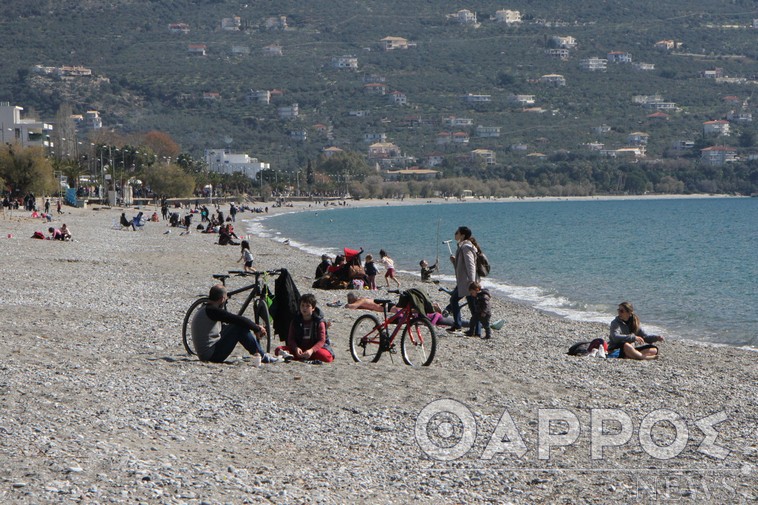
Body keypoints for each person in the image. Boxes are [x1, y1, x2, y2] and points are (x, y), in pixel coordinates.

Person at [190, 284, 280, 364]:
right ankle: (262, 355)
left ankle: (259, 352)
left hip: (206, 353)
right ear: (222, 299)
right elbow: (237, 319)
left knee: (236, 326)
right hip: (211, 355)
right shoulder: (213, 311)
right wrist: (256, 328)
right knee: (238, 327)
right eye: (225, 299)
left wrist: (255, 327)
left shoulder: (206, 308)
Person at [276, 293, 334, 363]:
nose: (304, 308)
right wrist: (296, 348)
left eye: (307, 306)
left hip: (315, 349)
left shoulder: (319, 322)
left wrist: (311, 350)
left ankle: (303, 356)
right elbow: (291, 339)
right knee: (278, 349)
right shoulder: (295, 321)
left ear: (313, 308)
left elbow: (321, 340)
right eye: (302, 305)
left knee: (324, 356)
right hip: (300, 348)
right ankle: (300, 356)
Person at [448, 226, 479, 334]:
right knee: (471, 305)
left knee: (469, 305)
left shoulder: (466, 247)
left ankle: (464, 327)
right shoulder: (463, 246)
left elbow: (471, 265)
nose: (455, 234)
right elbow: (463, 265)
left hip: (467, 283)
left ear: (462, 235)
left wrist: (472, 282)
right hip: (464, 282)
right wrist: (455, 262)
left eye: (457, 232)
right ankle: (470, 328)